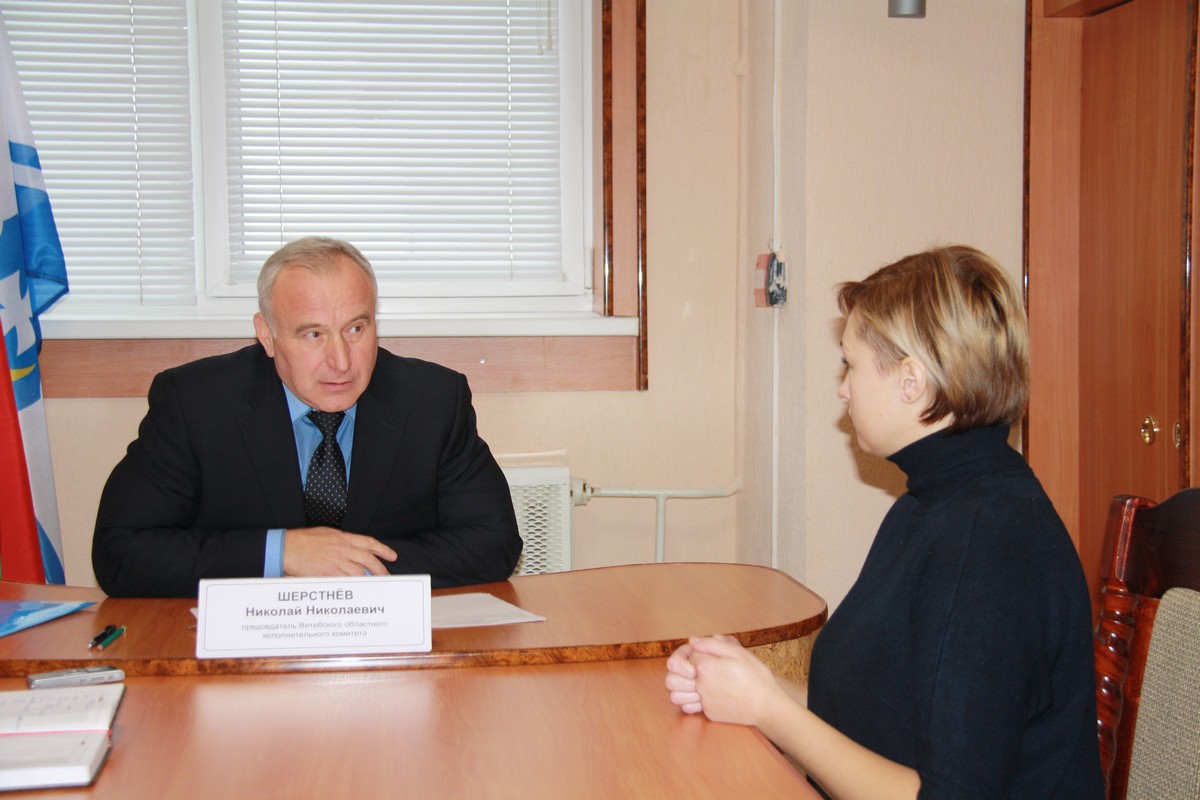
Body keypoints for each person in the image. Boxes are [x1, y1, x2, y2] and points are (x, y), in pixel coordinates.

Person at [665, 246, 1103, 799]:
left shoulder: (992, 544)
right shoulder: (929, 505)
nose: (842, 387)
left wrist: (769, 709)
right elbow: (873, 721)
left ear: (911, 381)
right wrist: (746, 688)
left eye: (850, 364)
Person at [93, 236, 522, 597]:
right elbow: (121, 552)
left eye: (356, 329)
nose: (341, 361)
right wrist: (282, 553)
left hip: (385, 641)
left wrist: (347, 564)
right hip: (245, 644)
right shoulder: (196, 403)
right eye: (313, 334)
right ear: (267, 335)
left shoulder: (432, 400)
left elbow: (494, 543)